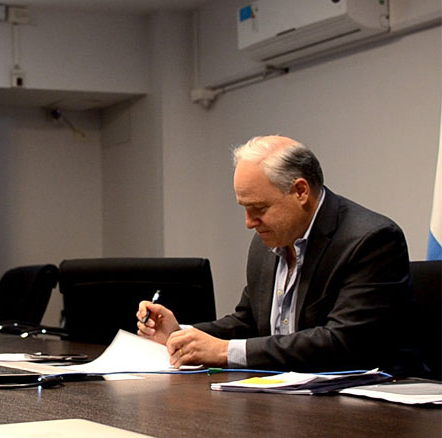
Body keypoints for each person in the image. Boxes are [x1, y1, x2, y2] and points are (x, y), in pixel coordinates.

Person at [137, 135, 413, 373]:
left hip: (369, 405)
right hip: (287, 395)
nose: (248, 222)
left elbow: (343, 342)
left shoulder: (371, 240)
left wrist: (224, 352)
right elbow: (248, 323)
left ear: (300, 191)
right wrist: (179, 335)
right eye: (244, 208)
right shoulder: (265, 242)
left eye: (259, 208)